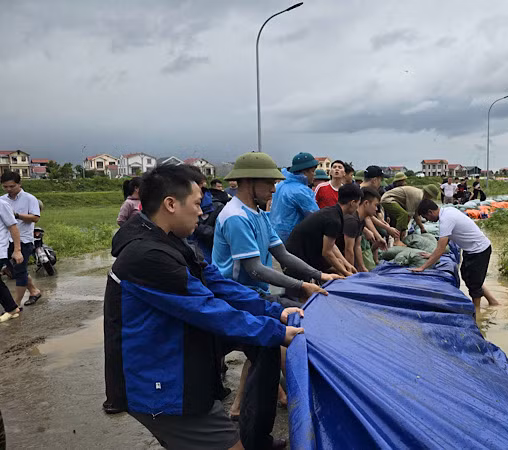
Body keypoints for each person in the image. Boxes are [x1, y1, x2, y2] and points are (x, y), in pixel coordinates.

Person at [103, 163, 305, 449]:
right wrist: (275, 330)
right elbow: (207, 309)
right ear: (171, 204)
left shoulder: (171, 242)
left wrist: (274, 310)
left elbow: (219, 284)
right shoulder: (147, 256)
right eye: (197, 203)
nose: (202, 211)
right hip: (162, 386)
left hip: (175, 369)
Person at [213, 152, 338, 301]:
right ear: (248, 181)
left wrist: (319, 275)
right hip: (236, 294)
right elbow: (255, 269)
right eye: (269, 183)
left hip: (254, 292)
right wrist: (302, 285)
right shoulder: (236, 217)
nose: (273, 189)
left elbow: (282, 255)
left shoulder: (258, 214)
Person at [413, 199, 499, 309]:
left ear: (430, 212)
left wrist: (423, 267)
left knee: (474, 284)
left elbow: (441, 249)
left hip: (479, 250)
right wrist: (431, 255)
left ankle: (477, 313)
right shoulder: (448, 211)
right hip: (471, 249)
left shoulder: (446, 219)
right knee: (468, 277)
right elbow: (444, 242)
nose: (427, 220)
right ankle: (492, 301)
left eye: (426, 217)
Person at [285, 183, 363, 277]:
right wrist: (345, 273)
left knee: (337, 265)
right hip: (296, 259)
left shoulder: (332, 212)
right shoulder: (334, 220)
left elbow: (332, 245)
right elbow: (327, 253)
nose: (357, 208)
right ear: (352, 202)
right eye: (358, 204)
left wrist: (347, 264)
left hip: (299, 254)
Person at [1, 171, 42, 306]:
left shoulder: (30, 198)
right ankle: (34, 291)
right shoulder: (2, 200)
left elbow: (35, 217)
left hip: (24, 240)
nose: (8, 189)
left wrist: (16, 215)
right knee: (14, 271)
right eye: (5, 186)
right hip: (6, 241)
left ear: (19, 184)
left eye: (12, 186)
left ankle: (16, 304)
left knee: (20, 271)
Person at [271, 152, 320, 242]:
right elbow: (316, 218)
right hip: (293, 239)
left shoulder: (280, 185)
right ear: (304, 172)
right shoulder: (300, 191)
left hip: (275, 237)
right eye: (313, 171)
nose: (314, 175)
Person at [340, 188, 380, 273]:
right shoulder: (352, 220)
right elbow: (348, 249)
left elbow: (357, 246)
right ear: (366, 203)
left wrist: (362, 267)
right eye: (375, 205)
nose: (376, 209)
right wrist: (350, 273)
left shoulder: (361, 220)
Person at [0, 199, 24, 323]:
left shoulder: (2, 204)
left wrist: (17, 250)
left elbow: (13, 227)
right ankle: (12, 308)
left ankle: (12, 309)